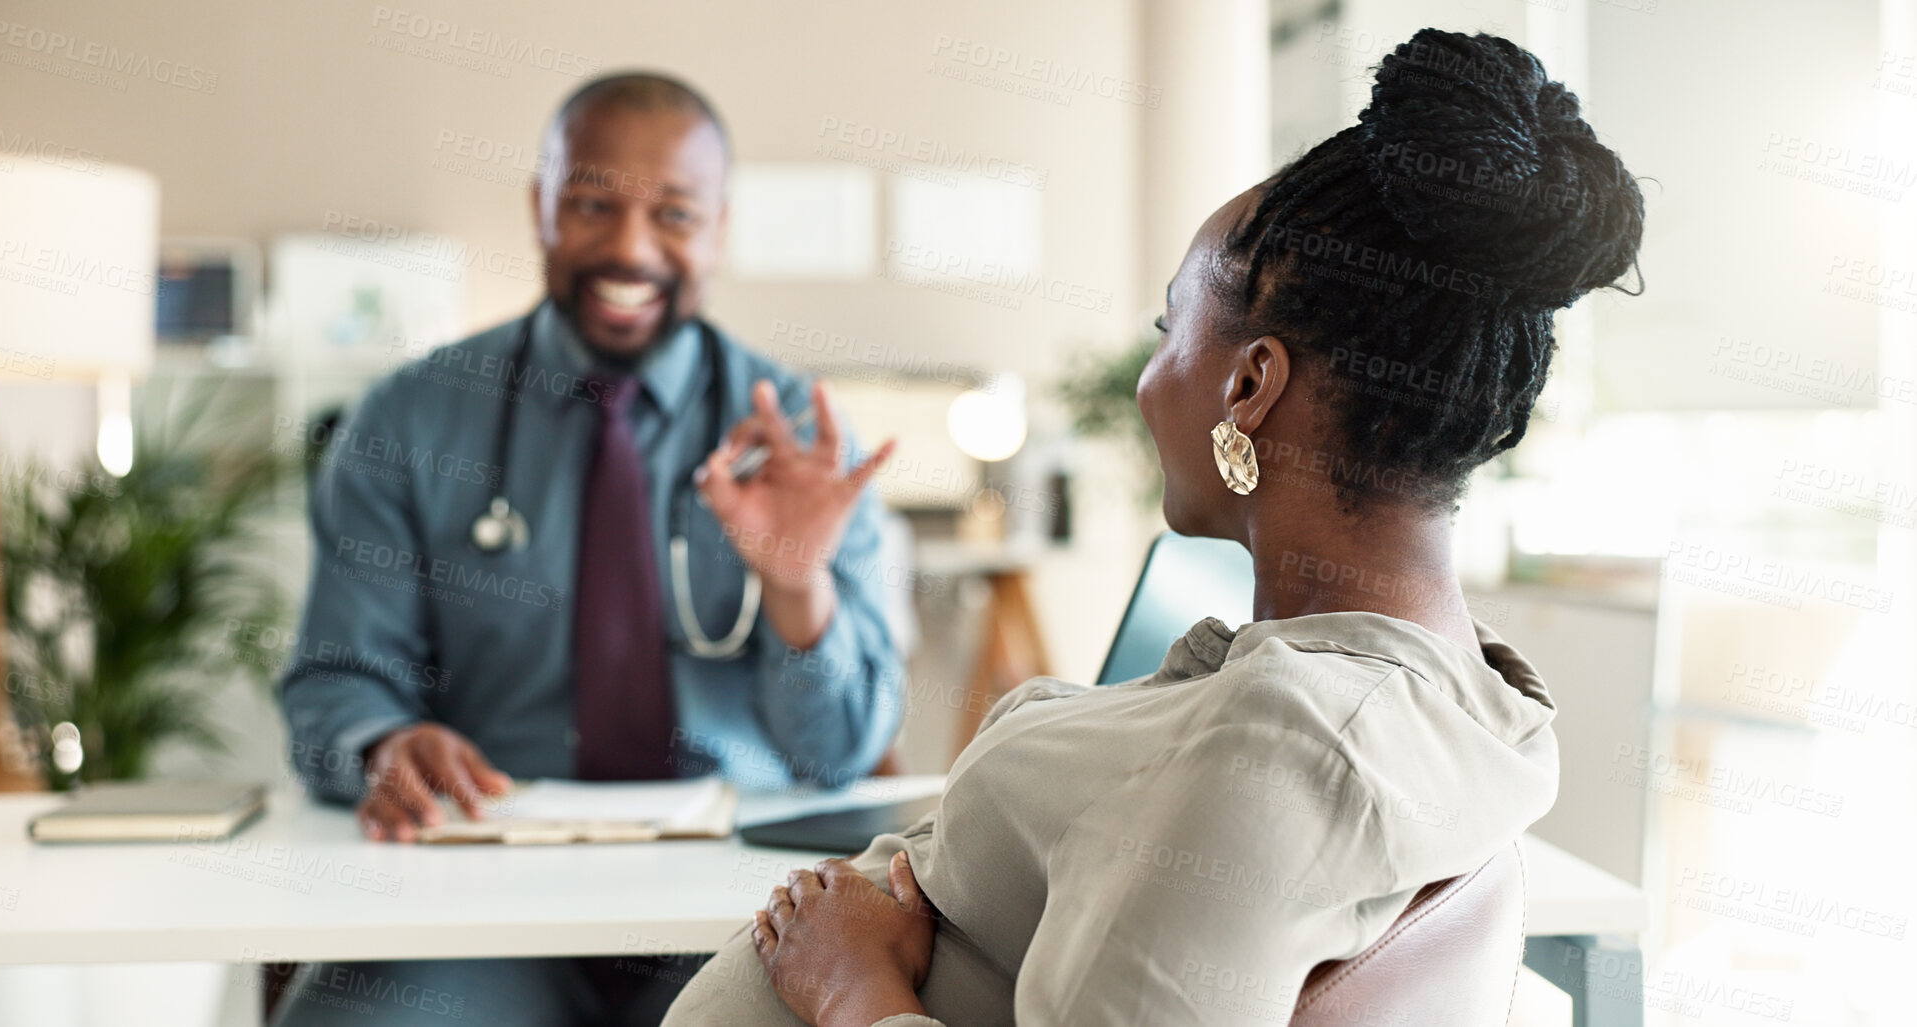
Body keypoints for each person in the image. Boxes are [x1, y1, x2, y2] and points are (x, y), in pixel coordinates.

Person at [662, 28, 1645, 1026]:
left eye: (1168, 328)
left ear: (1249, 384)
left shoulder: (1290, 745)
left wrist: (849, 988)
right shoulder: (1418, 686)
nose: (1145, 381)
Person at [273, 73, 903, 1026]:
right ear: (540, 208)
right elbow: (335, 679)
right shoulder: (407, 417)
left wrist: (794, 582)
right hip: (485, 898)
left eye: (675, 214)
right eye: (592, 204)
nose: (629, 247)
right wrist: (382, 745)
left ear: (720, 230)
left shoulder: (797, 436)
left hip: (734, 902)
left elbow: (841, 752)